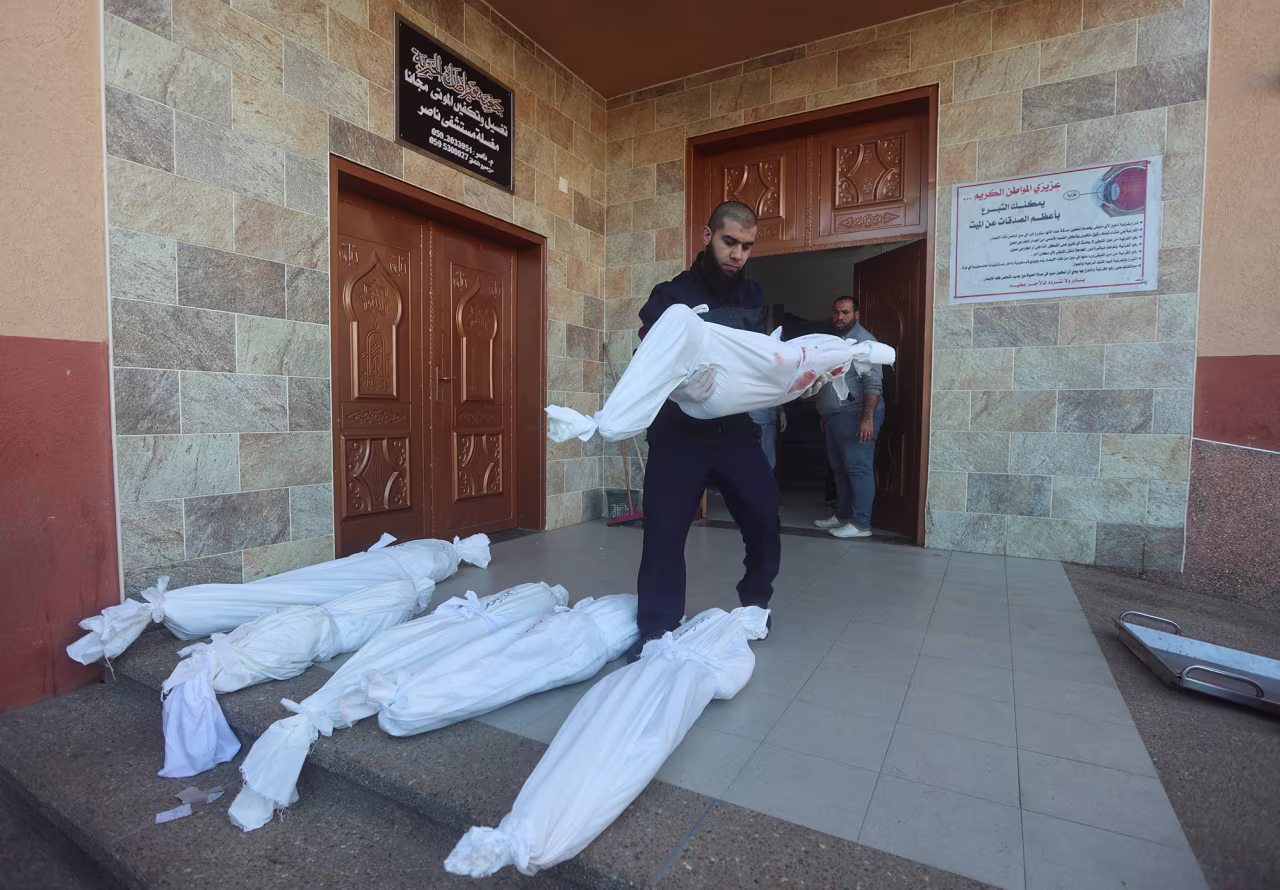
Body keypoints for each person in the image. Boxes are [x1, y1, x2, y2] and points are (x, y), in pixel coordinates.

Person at [629, 201, 781, 662]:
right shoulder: (670, 294)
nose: (738, 253)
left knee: (764, 514)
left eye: (747, 246)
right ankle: (656, 629)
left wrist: (796, 378)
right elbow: (646, 363)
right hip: (678, 434)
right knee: (664, 531)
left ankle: (756, 604)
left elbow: (763, 361)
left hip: (734, 430)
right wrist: (679, 387)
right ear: (707, 235)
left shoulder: (754, 297)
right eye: (729, 241)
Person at [813, 296, 884, 539]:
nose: (839, 317)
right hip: (837, 416)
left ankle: (861, 524)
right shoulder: (839, 341)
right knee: (839, 469)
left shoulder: (865, 343)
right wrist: (827, 412)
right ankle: (843, 515)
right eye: (835, 312)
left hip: (856, 414)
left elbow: (873, 384)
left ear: (857, 314)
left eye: (845, 312)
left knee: (858, 469)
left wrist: (867, 419)